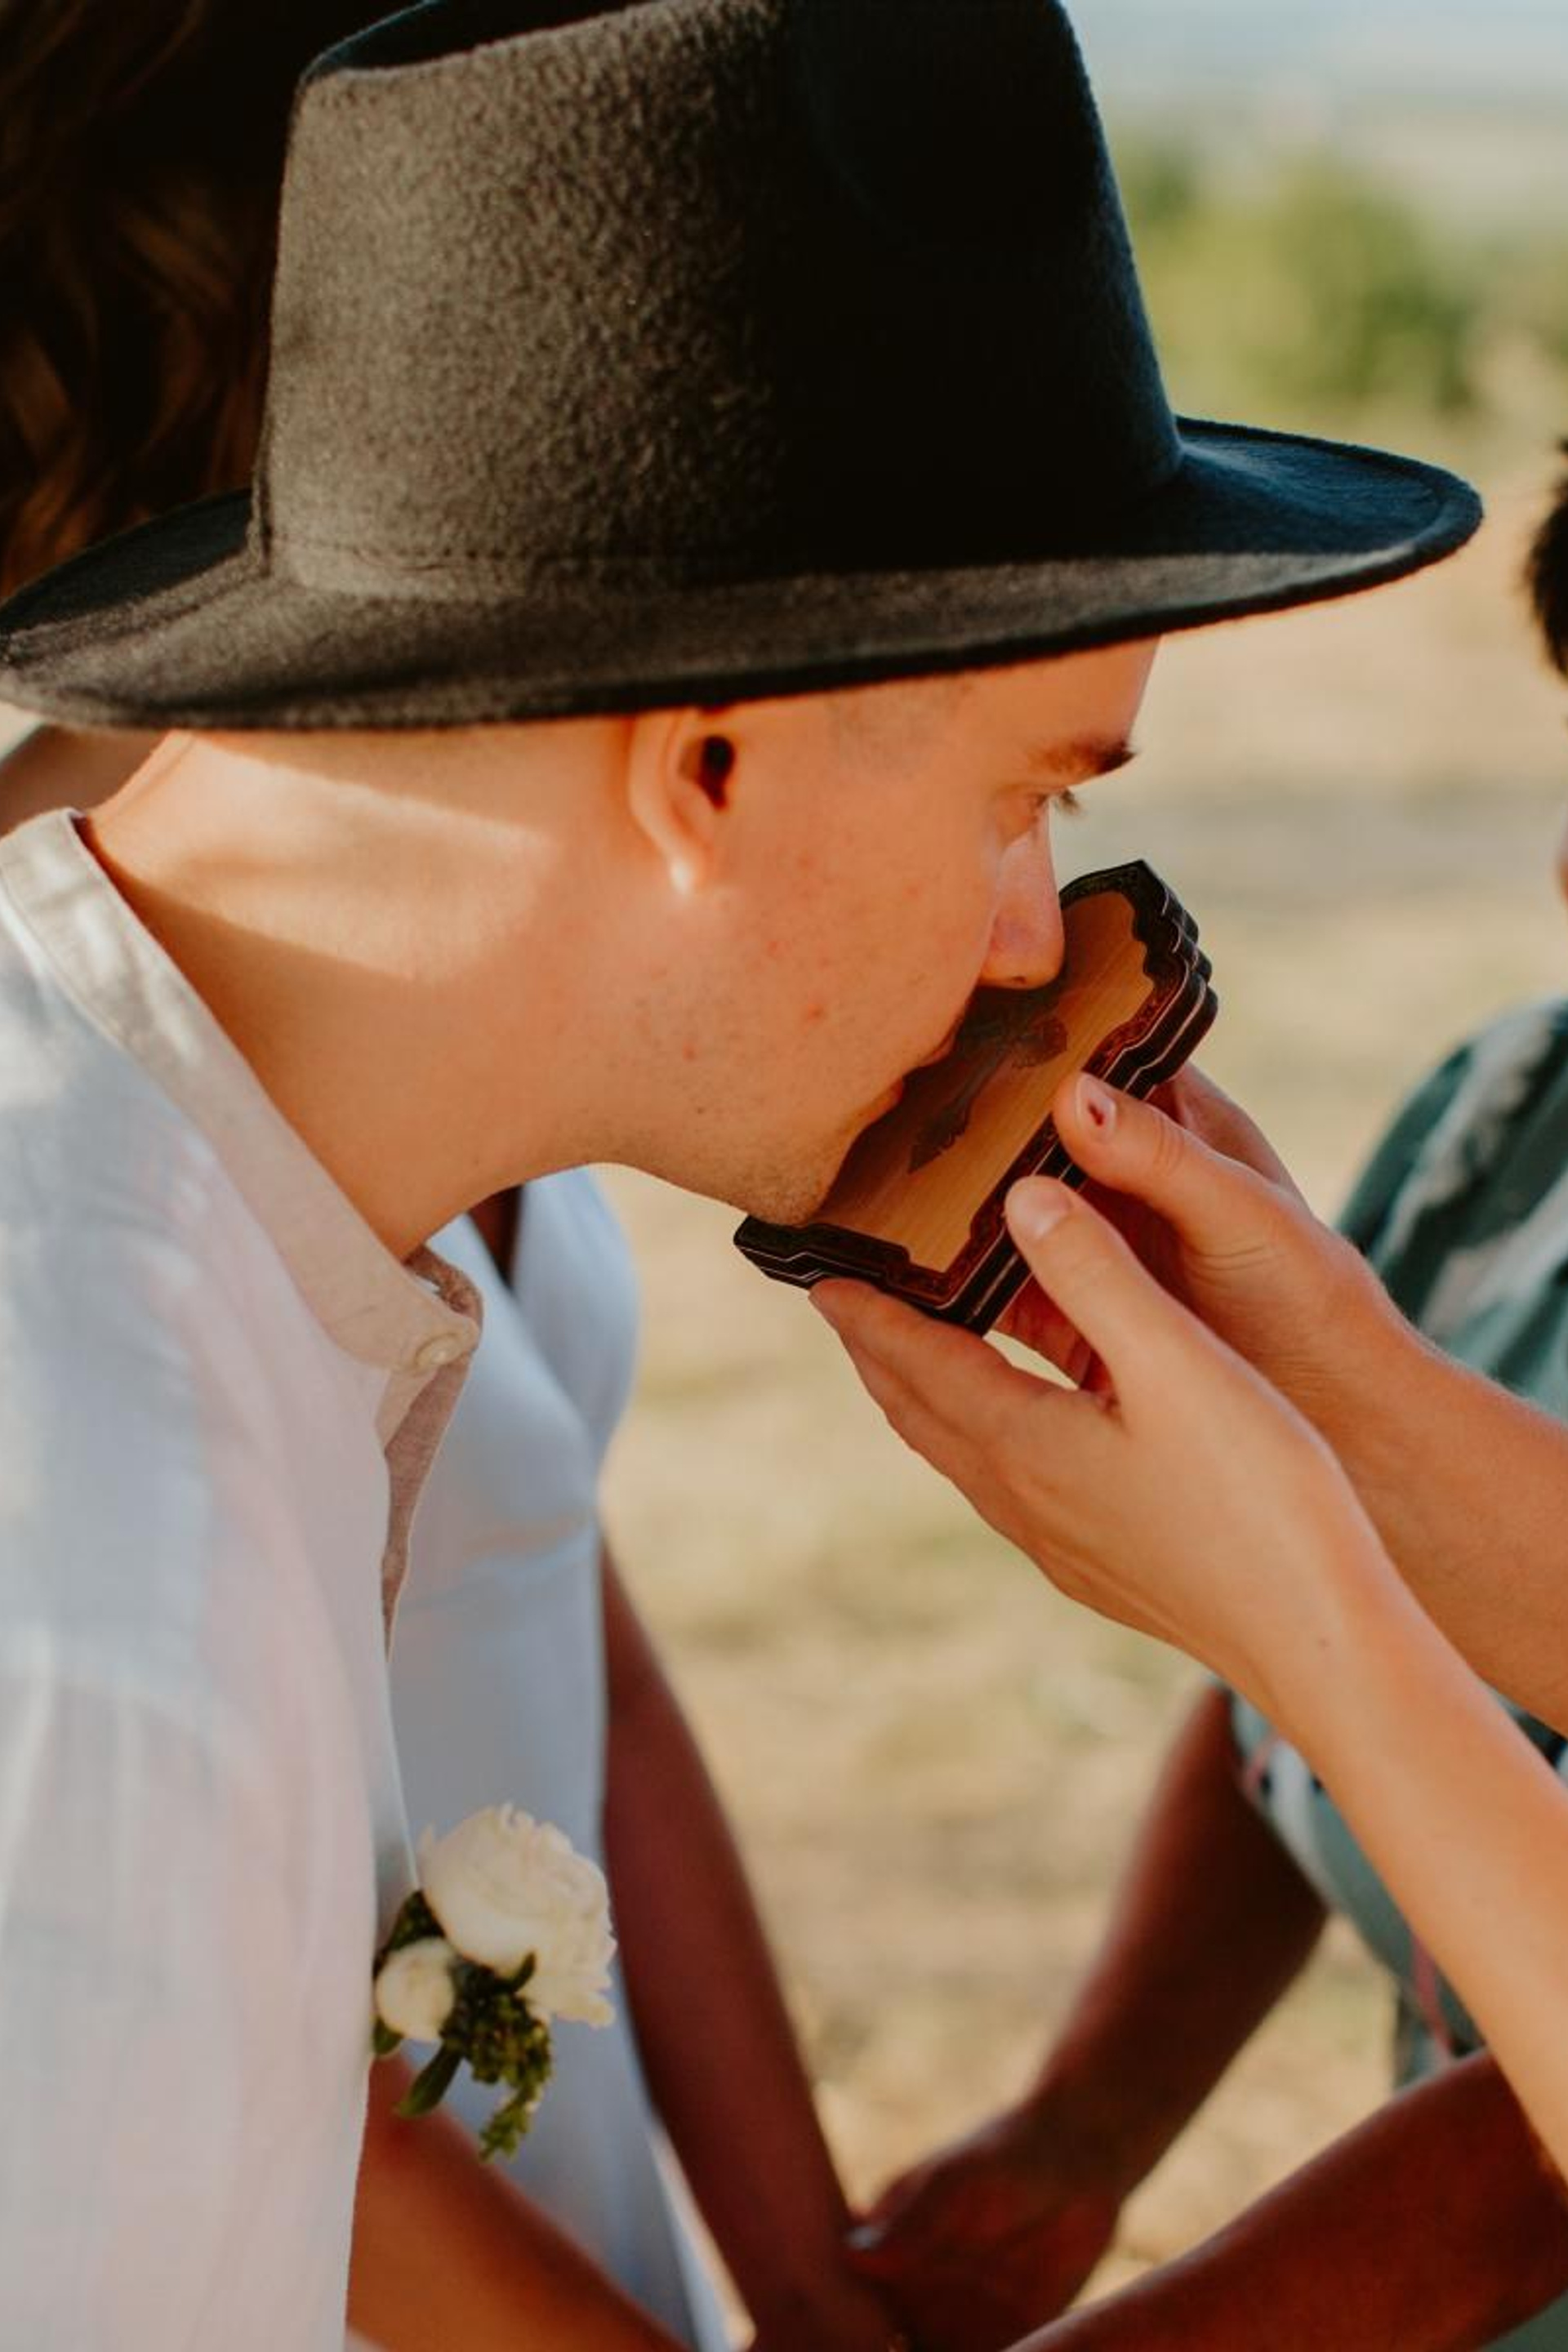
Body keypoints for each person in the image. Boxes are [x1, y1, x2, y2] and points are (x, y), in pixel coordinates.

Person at [0, 0, 1480, 2345]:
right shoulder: (97, 1597)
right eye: (1028, 800)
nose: (1036, 943)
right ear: (705, 762)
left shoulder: (189, 1253)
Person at [0, 8, 886, 2349]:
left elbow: (562, 1601)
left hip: (523, 2145)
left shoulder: (401, 960)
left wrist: (808, 2274)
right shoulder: (115, 1013)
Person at [815, 473, 1568, 2345]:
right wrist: (1090, 2129)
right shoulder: (1511, 1123)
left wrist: (1307, 1594)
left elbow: (1517, 2179)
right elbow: (1271, 1748)